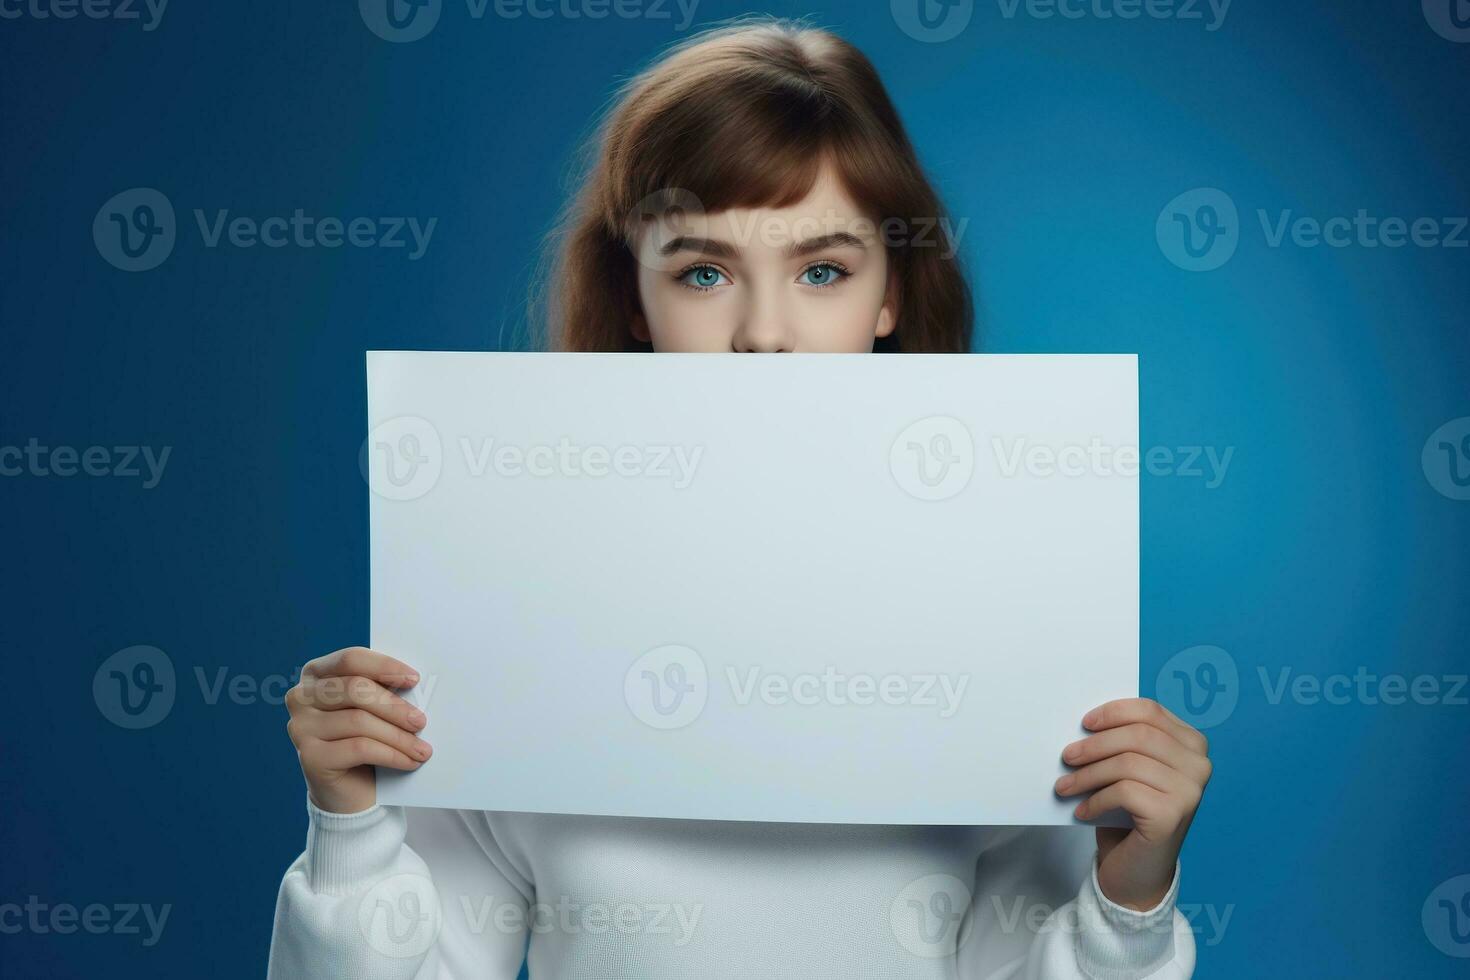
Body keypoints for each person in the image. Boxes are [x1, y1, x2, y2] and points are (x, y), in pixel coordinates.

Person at [268, 18, 1211, 978]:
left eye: (823, 270)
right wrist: (348, 829)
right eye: (705, 271)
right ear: (636, 300)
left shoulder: (1000, 630)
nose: (765, 333)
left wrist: (1128, 899)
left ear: (889, 295)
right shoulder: (509, 617)